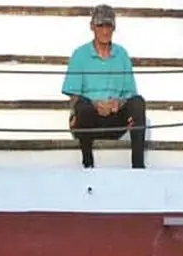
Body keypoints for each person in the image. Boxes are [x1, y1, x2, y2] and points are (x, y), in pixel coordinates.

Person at [62, 4, 146, 169]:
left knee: (138, 102)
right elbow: (74, 96)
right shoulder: (80, 54)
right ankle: (88, 163)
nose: (105, 31)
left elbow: (130, 93)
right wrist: (95, 105)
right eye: (101, 25)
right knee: (83, 106)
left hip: (115, 117)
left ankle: (138, 166)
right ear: (92, 27)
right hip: (90, 118)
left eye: (109, 26)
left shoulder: (121, 54)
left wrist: (118, 104)